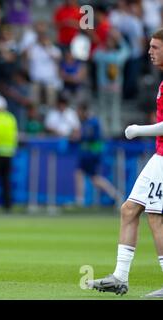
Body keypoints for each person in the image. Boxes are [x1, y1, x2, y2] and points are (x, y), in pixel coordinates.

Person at [87, 29, 163, 298]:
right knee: (129, 209)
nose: (150, 52)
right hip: (159, 156)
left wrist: (137, 130)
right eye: (150, 47)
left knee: (156, 216)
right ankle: (120, 276)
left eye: (155, 47)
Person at [74, 103, 122, 207]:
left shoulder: (92, 122)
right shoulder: (86, 122)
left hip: (91, 154)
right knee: (84, 175)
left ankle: (116, 196)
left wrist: (78, 136)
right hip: (87, 154)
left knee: (94, 178)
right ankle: (80, 200)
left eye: (79, 111)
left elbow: (88, 136)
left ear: (83, 111)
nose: (77, 114)